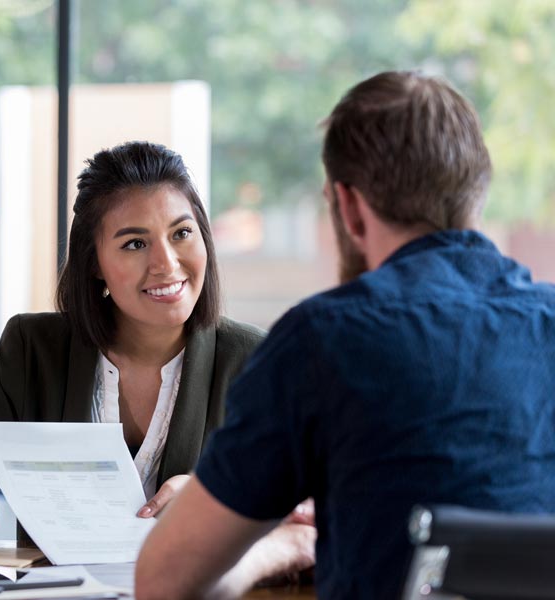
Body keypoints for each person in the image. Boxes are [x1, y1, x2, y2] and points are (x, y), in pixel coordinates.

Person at [135, 71, 555, 600]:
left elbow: (163, 582)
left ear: (349, 207)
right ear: (477, 191)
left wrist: (281, 547)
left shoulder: (324, 341)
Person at [0, 141, 265, 552]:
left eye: (182, 233)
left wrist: (217, 501)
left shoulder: (253, 362)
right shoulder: (33, 351)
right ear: (94, 263)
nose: (167, 263)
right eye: (135, 244)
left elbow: (310, 510)